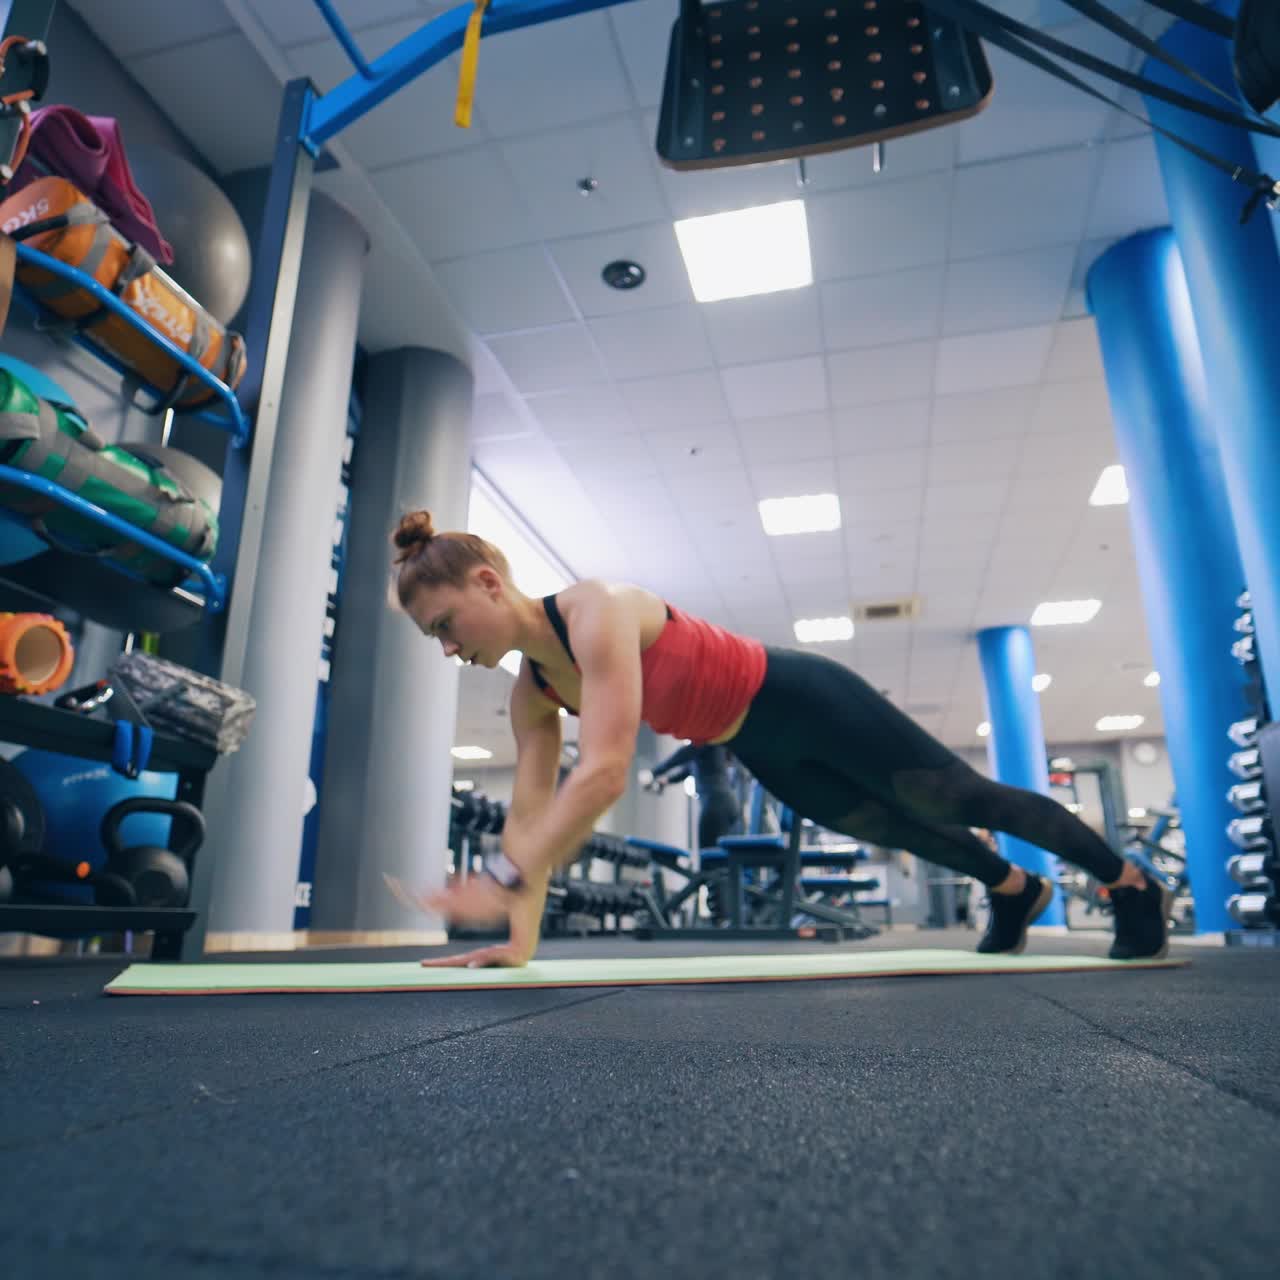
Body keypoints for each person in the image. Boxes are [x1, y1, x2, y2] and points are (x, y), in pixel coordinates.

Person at [390, 511, 1172, 970]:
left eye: (445, 626)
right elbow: (531, 817)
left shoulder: (594, 609)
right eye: (435, 640)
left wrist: (498, 874)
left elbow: (602, 774)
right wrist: (516, 940)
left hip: (799, 694)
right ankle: (1016, 893)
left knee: (965, 797)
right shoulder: (533, 693)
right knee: (892, 828)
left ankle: (1129, 884)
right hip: (756, 744)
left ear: (488, 584)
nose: (450, 650)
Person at [639, 742, 742, 849]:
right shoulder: (705, 749)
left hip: (717, 804)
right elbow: (687, 770)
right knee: (718, 854)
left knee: (709, 855)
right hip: (724, 804)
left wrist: (653, 772)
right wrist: (666, 781)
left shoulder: (704, 740)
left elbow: (681, 756)